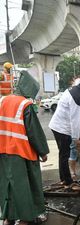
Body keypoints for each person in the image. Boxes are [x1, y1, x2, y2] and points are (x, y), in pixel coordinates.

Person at [0, 71, 49, 225]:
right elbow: (33, 131)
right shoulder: (25, 105)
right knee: (24, 187)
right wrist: (43, 152)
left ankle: (9, 218)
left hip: (2, 151)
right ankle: (25, 219)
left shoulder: (2, 101)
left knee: (7, 186)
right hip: (20, 153)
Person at [49, 75, 80, 191]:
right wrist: (76, 139)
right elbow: (74, 119)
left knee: (63, 154)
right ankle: (69, 182)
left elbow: (77, 114)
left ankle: (64, 179)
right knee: (65, 155)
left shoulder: (73, 90)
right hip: (62, 129)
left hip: (57, 126)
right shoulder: (78, 98)